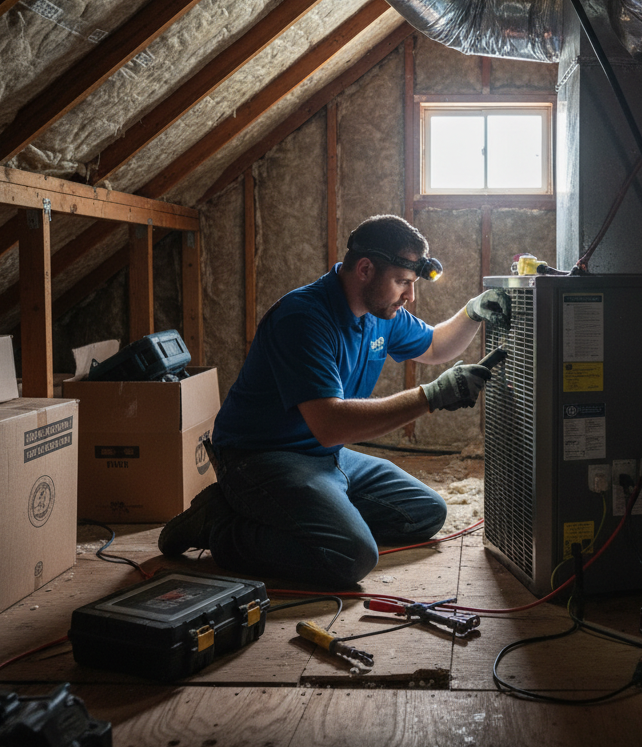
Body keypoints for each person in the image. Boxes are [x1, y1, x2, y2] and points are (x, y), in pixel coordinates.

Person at [158, 214, 510, 586]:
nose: (410, 296)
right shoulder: (303, 318)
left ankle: (310, 511)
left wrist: (473, 313)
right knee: (351, 556)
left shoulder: (382, 313)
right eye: (403, 283)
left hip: (325, 456)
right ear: (364, 269)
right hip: (261, 457)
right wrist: (433, 395)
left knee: (425, 513)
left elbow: (437, 345)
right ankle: (217, 524)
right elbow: (331, 425)